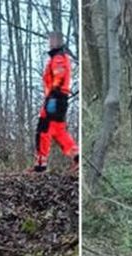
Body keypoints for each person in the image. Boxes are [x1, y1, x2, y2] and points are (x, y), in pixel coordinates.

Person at [31, 31, 78, 173]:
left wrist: (52, 94)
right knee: (58, 131)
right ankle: (76, 155)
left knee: (43, 128)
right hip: (59, 98)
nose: (49, 42)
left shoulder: (58, 58)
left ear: (57, 41)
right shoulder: (60, 57)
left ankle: (41, 163)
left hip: (55, 97)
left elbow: (59, 75)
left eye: (51, 40)